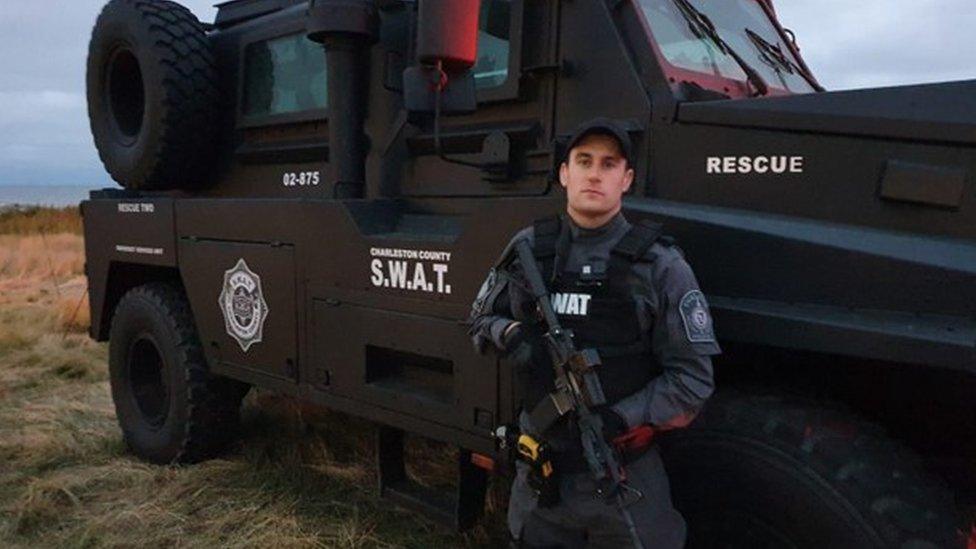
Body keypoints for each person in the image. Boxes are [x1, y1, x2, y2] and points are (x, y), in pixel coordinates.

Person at [468, 118, 719, 548]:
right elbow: (477, 321)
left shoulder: (658, 264)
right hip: (540, 473)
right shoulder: (528, 248)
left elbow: (693, 380)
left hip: (620, 473)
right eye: (583, 161)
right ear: (565, 173)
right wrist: (511, 334)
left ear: (627, 179)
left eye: (608, 163)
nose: (594, 173)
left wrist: (622, 417)